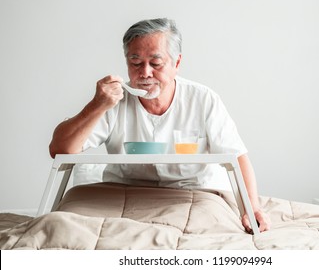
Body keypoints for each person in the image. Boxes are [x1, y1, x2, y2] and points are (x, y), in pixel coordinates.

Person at [49, 18, 270, 233]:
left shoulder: (203, 99)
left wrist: (252, 208)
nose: (145, 73)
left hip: (191, 193)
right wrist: (95, 106)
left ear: (177, 63)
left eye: (155, 64)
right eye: (135, 63)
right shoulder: (112, 101)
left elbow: (237, 157)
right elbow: (59, 150)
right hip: (122, 193)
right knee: (63, 228)